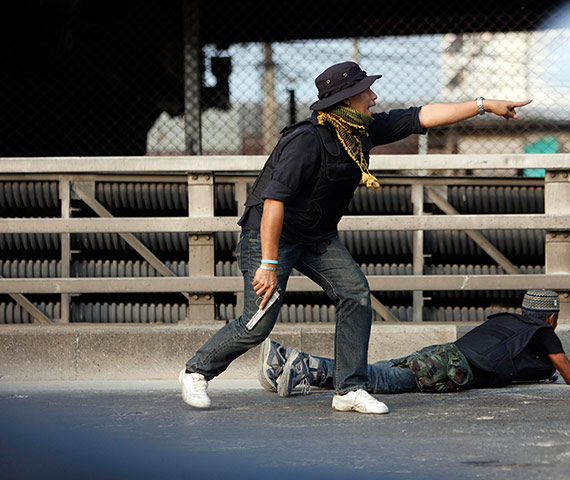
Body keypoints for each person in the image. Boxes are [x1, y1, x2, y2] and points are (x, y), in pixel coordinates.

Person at [179, 60, 532, 414]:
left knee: (355, 294)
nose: (374, 96)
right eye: (367, 91)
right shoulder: (306, 140)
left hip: (316, 237)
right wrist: (268, 264)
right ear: (347, 99)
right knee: (258, 321)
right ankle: (196, 371)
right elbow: (274, 202)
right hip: (270, 236)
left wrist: (484, 105)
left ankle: (348, 388)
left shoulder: (361, 129)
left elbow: (423, 116)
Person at [259, 290, 570, 399]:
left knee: (374, 373)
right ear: (552, 318)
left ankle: (288, 360)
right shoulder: (542, 331)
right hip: (448, 368)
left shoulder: (505, 321)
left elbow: (513, 364)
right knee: (379, 381)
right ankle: (307, 369)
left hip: (438, 355)